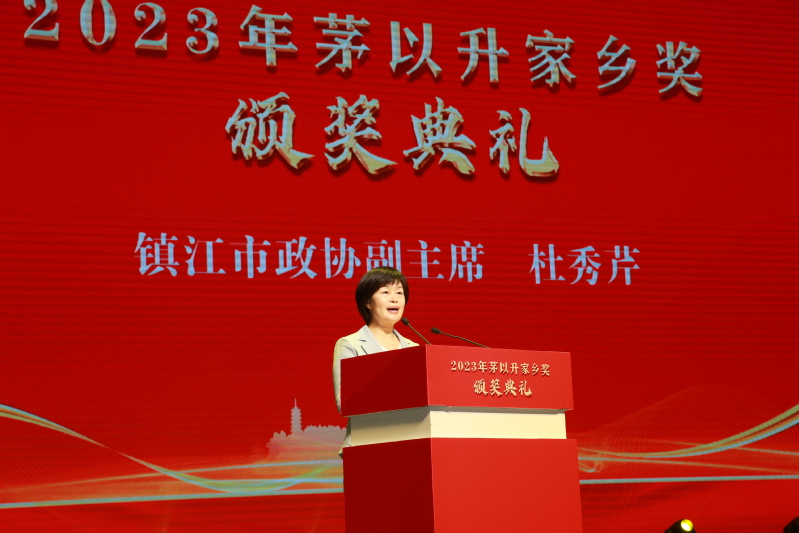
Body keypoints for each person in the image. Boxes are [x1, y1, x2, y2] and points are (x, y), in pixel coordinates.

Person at [332, 267, 419, 453]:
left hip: (410, 443)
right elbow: (344, 403)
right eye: (385, 292)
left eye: (399, 293)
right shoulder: (350, 344)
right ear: (368, 302)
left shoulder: (415, 349)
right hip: (366, 445)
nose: (394, 299)